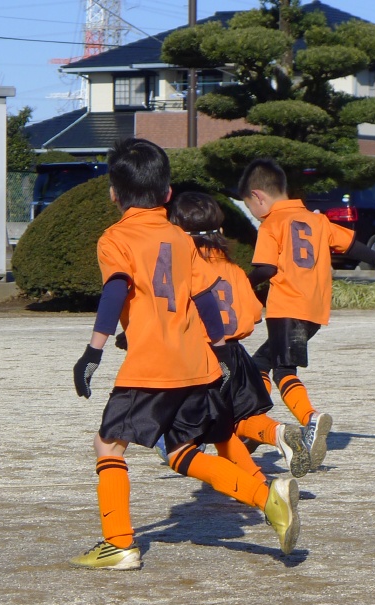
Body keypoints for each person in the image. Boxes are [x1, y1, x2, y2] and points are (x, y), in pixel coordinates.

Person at [70, 139, 300, 570]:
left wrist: (92, 351)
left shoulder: (115, 238)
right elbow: (206, 298)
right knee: (179, 449)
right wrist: (220, 351)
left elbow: (115, 289)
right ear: (167, 192)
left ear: (114, 193)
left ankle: (119, 544)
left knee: (108, 444)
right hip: (197, 363)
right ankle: (265, 496)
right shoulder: (179, 237)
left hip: (151, 367)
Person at [238, 158, 375, 470]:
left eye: (250, 207)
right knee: (261, 363)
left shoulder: (272, 224)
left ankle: (309, 419)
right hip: (314, 311)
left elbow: (266, 268)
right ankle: (253, 422)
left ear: (258, 196)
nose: (253, 213)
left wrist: (240, 283)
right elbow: (353, 246)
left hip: (286, 307)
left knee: (283, 371)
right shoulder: (318, 221)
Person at [168, 190, 311, 479]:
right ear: (219, 232)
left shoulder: (182, 269)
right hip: (235, 354)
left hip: (200, 354)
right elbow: (253, 314)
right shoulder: (233, 269)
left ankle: (253, 479)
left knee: (215, 426)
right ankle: (277, 433)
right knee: (238, 419)